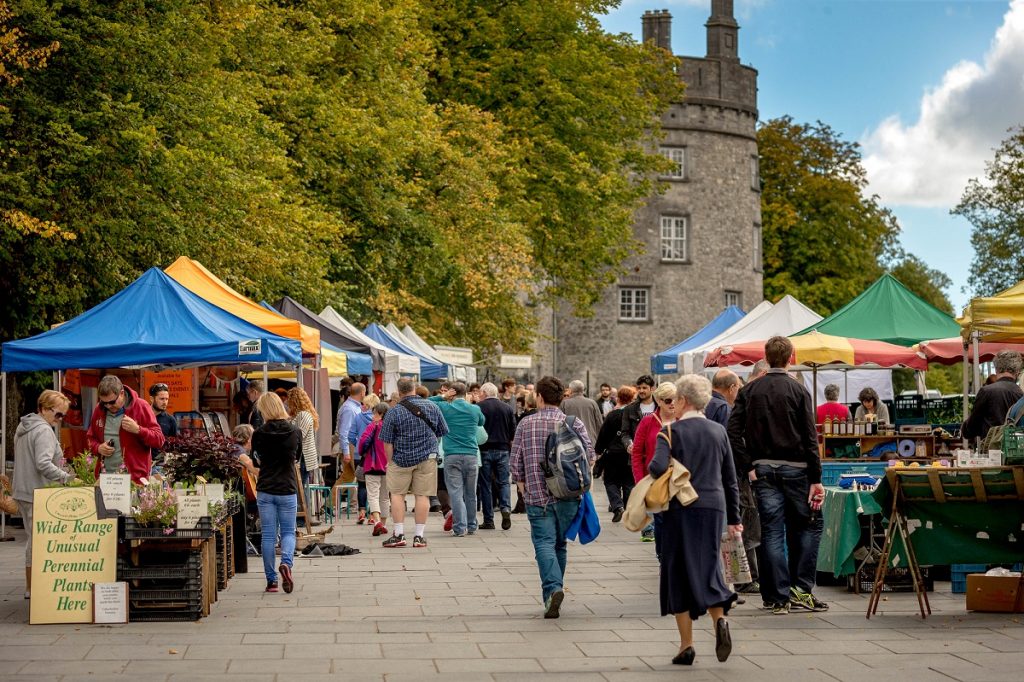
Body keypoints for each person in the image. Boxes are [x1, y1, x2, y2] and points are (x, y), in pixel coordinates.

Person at [727, 336, 827, 615]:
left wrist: (748, 465)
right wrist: (816, 478)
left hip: (764, 468)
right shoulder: (798, 391)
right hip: (797, 468)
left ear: (766, 357)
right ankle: (800, 589)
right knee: (807, 526)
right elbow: (810, 437)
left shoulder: (750, 391)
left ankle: (778, 595)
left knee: (772, 531)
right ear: (791, 357)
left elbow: (732, 432)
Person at [652, 374, 742, 666]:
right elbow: (730, 479)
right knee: (709, 564)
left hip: (680, 507)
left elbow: (654, 469)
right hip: (714, 506)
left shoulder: (669, 432)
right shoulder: (718, 431)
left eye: (675, 399)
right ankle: (720, 621)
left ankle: (686, 645)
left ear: (683, 401)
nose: (673, 405)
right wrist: (735, 518)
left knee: (677, 570)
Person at [510, 376, 596, 619]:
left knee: (543, 543)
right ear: (562, 398)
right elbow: (590, 455)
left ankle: (552, 589)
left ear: (538, 396)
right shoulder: (573, 423)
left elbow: (515, 461)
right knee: (559, 544)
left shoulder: (526, 424)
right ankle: (555, 587)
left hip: (537, 494)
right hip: (568, 494)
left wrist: (521, 485)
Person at [13, 389, 75, 599]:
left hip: (24, 490)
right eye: (57, 415)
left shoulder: (24, 426)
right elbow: (43, 463)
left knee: (33, 539)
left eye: (63, 416)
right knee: (37, 541)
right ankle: (33, 588)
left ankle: (32, 586)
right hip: (37, 492)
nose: (59, 420)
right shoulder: (43, 431)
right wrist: (68, 478)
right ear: (43, 408)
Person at [379, 377, 448, 548]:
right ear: (414, 389)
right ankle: (418, 536)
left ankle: (399, 533)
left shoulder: (393, 412)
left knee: (397, 495)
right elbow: (442, 431)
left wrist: (389, 461)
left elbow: (387, 441)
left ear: (399, 390)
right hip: (427, 458)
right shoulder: (433, 406)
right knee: (422, 495)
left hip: (400, 458)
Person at [252, 392, 302, 594]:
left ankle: (271, 581)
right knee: (289, 532)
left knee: (268, 536)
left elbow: (256, 461)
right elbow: (297, 458)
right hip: (287, 487)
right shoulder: (295, 431)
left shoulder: (258, 433)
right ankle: (287, 564)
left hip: (266, 488)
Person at [429, 382, 485, 537]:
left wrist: (442, 396)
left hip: (452, 455)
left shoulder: (446, 408)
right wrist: (474, 404)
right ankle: (472, 525)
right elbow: (481, 422)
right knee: (470, 493)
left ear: (452, 393)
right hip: (471, 455)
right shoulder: (474, 409)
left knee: (455, 493)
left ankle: (460, 528)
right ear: (465, 393)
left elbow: (426, 403)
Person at [86, 375, 164, 482]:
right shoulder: (99, 409)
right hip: (105, 478)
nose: (108, 406)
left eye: (112, 402)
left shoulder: (141, 406)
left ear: (122, 393)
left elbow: (159, 439)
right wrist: (98, 448)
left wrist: (138, 430)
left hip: (134, 479)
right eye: (105, 403)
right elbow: (91, 438)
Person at [631, 382, 678, 543]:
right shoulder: (648, 422)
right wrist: (639, 481)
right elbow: (637, 453)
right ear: (658, 401)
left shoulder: (682, 420)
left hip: (679, 479)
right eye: (668, 400)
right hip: (655, 480)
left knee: (677, 522)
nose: (672, 403)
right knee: (660, 521)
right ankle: (662, 556)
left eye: (675, 399)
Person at [594, 385, 636, 523]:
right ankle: (628, 508)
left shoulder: (612, 415)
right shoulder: (634, 414)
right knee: (629, 482)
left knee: (611, 481)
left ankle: (617, 506)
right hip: (629, 451)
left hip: (612, 453)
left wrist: (598, 450)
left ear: (618, 398)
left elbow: (603, 434)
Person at [477, 382, 516, 530]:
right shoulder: (507, 408)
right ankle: (505, 508)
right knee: (504, 482)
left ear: (485, 393)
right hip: (503, 449)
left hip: (485, 449)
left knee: (485, 485)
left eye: (481, 393)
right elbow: (513, 430)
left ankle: (489, 520)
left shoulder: (479, 408)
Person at [963, 351, 1024, 442]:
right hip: (1016, 450)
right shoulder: (1021, 393)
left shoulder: (986, 391)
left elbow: (971, 428)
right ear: (1017, 371)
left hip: (991, 450)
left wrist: (965, 428)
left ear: (996, 369)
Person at [358, 402, 392, 536]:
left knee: (373, 495)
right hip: (388, 466)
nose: (372, 416)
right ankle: (383, 524)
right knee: (385, 497)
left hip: (372, 465)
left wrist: (363, 452)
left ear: (381, 414)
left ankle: (377, 521)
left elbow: (362, 444)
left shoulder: (372, 426)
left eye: (374, 413)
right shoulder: (391, 428)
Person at [286, 387, 320, 487]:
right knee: (299, 487)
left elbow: (299, 435)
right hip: (302, 456)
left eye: (289, 400)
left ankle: (300, 504)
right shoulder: (299, 415)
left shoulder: (303, 415)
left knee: (298, 487)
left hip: (303, 457)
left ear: (294, 401)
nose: (287, 403)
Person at [620, 374, 657, 459]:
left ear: (652, 389)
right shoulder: (629, 409)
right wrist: (629, 444)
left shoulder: (660, 407)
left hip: (656, 453)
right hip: (637, 455)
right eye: (639, 388)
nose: (641, 391)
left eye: (644, 388)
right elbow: (625, 433)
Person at [561, 380, 604, 449]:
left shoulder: (564, 404)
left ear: (570, 390)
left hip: (571, 443)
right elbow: (599, 424)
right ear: (583, 390)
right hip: (591, 442)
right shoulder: (592, 403)